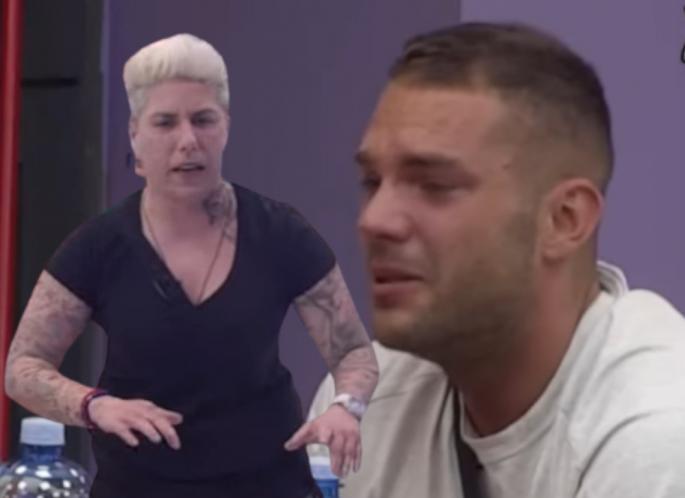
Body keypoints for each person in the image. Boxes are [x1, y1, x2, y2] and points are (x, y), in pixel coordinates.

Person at [309, 22, 685, 498]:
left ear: (564, 219)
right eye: (371, 182)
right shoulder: (364, 403)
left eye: (434, 186)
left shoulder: (659, 434)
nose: (374, 221)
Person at [5, 33, 378, 498]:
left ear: (226, 128)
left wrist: (345, 407)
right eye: (165, 123)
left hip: (267, 485)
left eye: (203, 120)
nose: (188, 141)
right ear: (136, 136)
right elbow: (23, 368)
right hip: (137, 487)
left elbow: (352, 351)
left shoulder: (279, 232)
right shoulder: (99, 246)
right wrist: (94, 406)